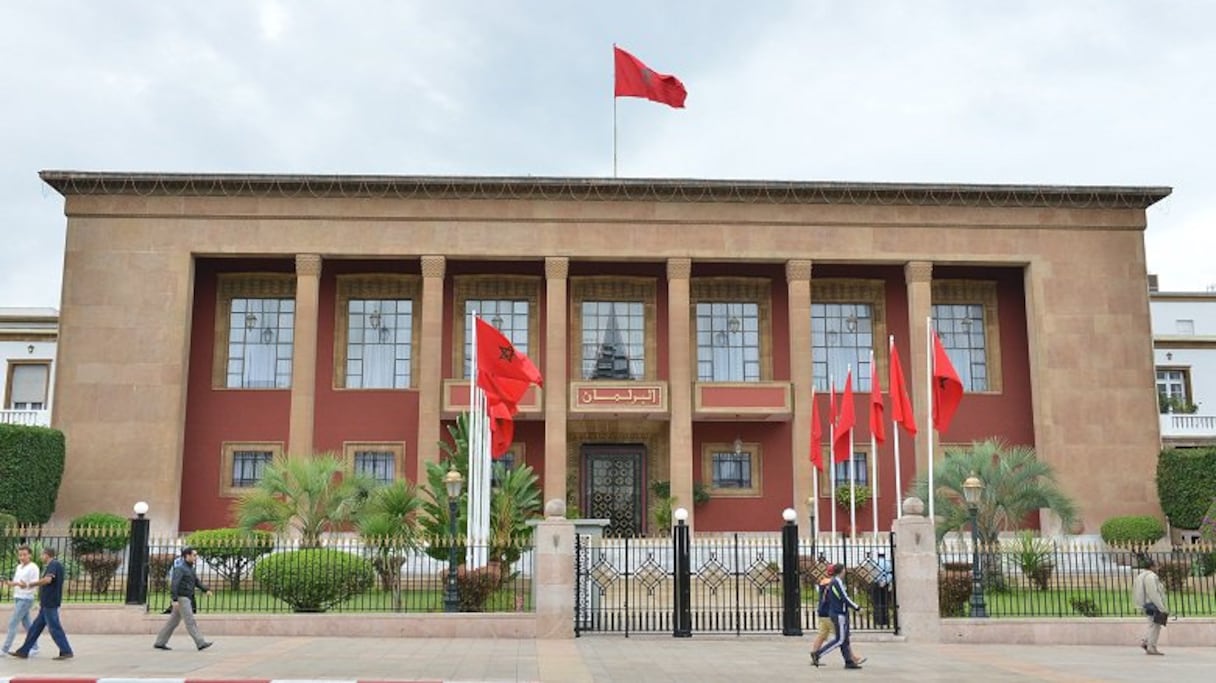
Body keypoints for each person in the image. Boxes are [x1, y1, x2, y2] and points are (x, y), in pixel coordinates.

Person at [8, 547, 73, 660]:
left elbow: (48, 580)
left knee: (54, 627)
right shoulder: (51, 565)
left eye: (42, 555)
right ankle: (24, 651)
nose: (41, 557)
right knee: (35, 628)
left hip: (50, 602)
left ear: (47, 555)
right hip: (46, 603)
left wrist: (31, 584)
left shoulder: (54, 564)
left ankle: (66, 651)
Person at [154, 546, 212, 651]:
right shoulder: (180, 569)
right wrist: (174, 599)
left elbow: (196, 582)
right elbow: (174, 584)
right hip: (182, 598)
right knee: (190, 621)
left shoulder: (190, 569)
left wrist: (205, 590)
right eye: (194, 555)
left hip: (186, 597)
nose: (196, 557)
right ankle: (200, 642)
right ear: (187, 556)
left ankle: (160, 642)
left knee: (172, 622)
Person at [809, 564, 864, 667]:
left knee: (844, 638)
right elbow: (844, 597)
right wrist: (857, 607)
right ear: (841, 571)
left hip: (835, 612)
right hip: (838, 613)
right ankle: (818, 654)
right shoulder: (836, 582)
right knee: (840, 639)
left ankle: (849, 661)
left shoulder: (831, 582)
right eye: (844, 570)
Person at [3, 545, 40, 655]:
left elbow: (34, 584)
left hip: (26, 598)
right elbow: (17, 582)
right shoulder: (19, 567)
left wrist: (24, 585)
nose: (22, 557)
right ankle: (35, 646)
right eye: (20, 555)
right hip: (18, 597)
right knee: (27, 624)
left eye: (24, 555)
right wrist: (11, 584)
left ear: (30, 555)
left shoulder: (33, 567)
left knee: (12, 623)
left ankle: (4, 649)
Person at [1132, 557, 1168, 656]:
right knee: (1155, 626)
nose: (1158, 567)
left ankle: (1147, 642)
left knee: (1152, 624)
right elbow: (1153, 593)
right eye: (1157, 565)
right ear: (1151, 567)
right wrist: (1161, 607)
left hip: (1145, 604)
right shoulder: (1151, 577)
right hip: (1153, 605)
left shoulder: (1141, 576)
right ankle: (1151, 647)